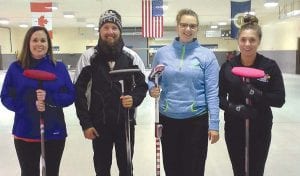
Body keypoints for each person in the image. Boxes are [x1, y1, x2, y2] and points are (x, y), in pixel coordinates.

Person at [73, 9, 147, 176]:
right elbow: (79, 93)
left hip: (125, 125)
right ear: (100, 30)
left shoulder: (131, 57)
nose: (110, 32)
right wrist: (86, 124)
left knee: (126, 169)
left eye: (114, 28)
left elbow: (142, 86)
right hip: (99, 126)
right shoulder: (88, 58)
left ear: (120, 31)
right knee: (101, 169)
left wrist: (133, 99)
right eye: (106, 27)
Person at [148, 8, 220, 176]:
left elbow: (212, 92)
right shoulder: (162, 53)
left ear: (197, 29)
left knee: (193, 169)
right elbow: (152, 78)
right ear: (177, 26)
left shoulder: (207, 56)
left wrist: (214, 124)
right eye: (184, 25)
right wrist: (152, 89)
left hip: (196, 122)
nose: (188, 29)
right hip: (168, 118)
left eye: (192, 26)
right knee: (172, 168)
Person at [0, 26, 75, 176]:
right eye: (35, 40)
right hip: (25, 131)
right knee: (29, 172)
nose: (39, 44)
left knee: (52, 172)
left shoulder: (58, 68)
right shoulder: (16, 68)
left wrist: (50, 98)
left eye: (43, 40)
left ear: (48, 44)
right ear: (28, 43)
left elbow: (70, 95)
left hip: (54, 131)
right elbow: (6, 96)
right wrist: (26, 104)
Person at [219, 15, 285, 176]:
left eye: (252, 40)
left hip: (260, 125)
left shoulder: (269, 66)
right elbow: (217, 97)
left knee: (256, 169)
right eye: (243, 40)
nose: (247, 44)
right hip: (234, 126)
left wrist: (256, 94)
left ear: (259, 41)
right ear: (238, 41)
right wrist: (233, 107)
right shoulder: (228, 67)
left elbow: (279, 99)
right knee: (239, 169)